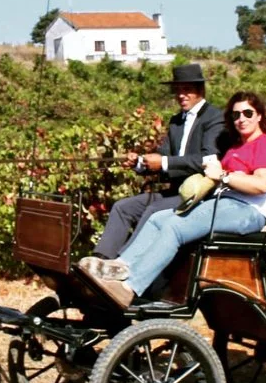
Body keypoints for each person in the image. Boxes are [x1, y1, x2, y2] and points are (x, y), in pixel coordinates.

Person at [95, 91, 266, 309]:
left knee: (175, 227)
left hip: (248, 209)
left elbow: (262, 184)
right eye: (235, 115)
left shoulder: (265, 145)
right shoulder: (236, 147)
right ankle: (120, 268)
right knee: (158, 218)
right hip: (224, 203)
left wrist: (224, 176)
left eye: (247, 113)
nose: (241, 119)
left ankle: (131, 287)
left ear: (259, 116)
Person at [81, 63, 225, 275]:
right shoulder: (177, 121)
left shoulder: (214, 118)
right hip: (176, 191)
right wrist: (140, 162)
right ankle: (100, 260)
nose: (181, 95)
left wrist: (164, 163)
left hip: (200, 195)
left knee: (152, 211)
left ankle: (124, 265)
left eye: (187, 90)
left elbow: (207, 158)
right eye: (178, 90)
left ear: (200, 91)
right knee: (124, 207)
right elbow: (162, 155)